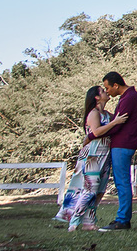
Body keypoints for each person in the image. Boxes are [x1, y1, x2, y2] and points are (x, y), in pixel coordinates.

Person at [54, 86, 127, 230]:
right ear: (96, 97)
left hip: (105, 155)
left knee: (99, 190)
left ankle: (89, 222)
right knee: (90, 189)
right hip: (92, 155)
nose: (106, 91)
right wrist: (114, 123)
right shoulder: (93, 114)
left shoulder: (107, 114)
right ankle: (74, 221)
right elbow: (97, 131)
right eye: (102, 90)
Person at [99, 71, 137, 232]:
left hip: (123, 144)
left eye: (107, 88)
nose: (107, 91)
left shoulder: (129, 98)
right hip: (121, 144)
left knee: (122, 182)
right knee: (120, 181)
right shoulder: (127, 98)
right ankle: (122, 218)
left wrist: (95, 134)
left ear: (116, 85)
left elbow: (118, 123)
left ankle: (123, 220)